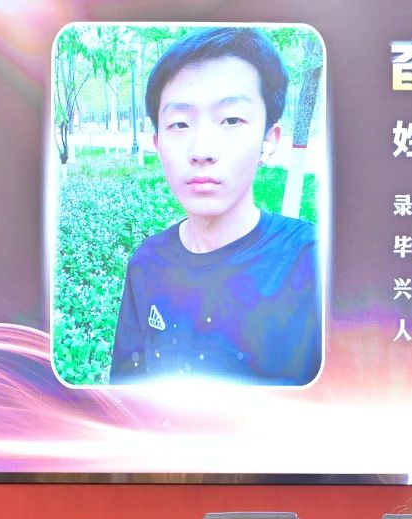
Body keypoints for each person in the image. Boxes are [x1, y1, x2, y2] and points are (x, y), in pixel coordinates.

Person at [110, 27, 321, 385]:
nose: (202, 150)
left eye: (231, 120)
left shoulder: (313, 264)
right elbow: (123, 395)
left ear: (269, 140)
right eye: (179, 124)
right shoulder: (147, 264)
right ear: (158, 144)